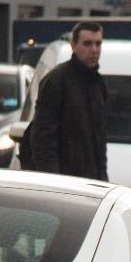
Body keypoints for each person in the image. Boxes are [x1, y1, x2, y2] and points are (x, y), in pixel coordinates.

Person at [27, 21, 107, 179]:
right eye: (87, 44)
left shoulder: (98, 84)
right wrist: (53, 179)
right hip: (65, 181)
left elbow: (100, 139)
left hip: (92, 182)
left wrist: (103, 178)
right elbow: (43, 137)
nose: (94, 50)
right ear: (73, 45)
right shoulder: (57, 80)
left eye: (98, 44)